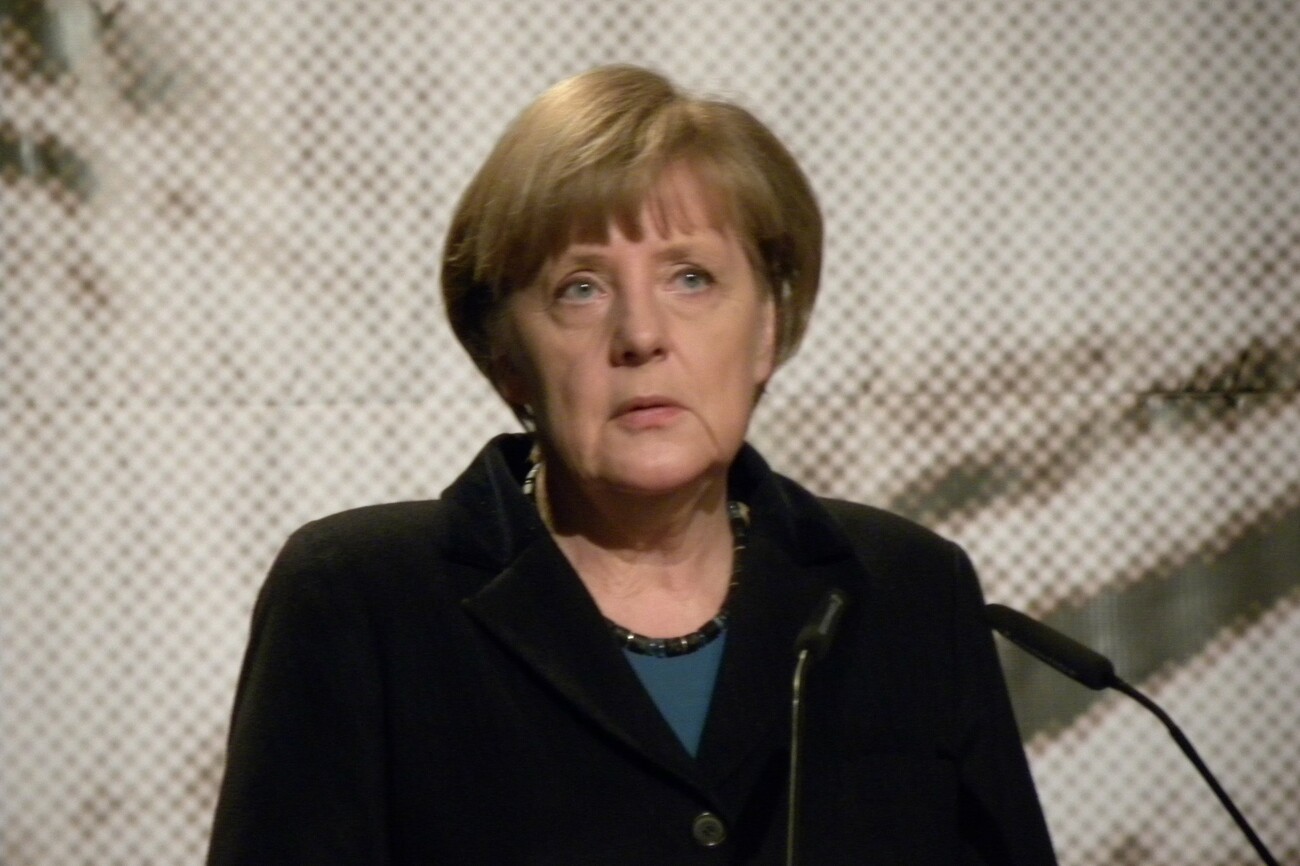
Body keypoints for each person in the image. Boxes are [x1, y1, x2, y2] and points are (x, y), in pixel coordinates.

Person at [207, 65, 1058, 865]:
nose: (642, 335)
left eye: (691, 278)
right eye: (581, 288)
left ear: (766, 331)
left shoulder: (906, 593)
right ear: (506, 357)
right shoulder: (360, 601)